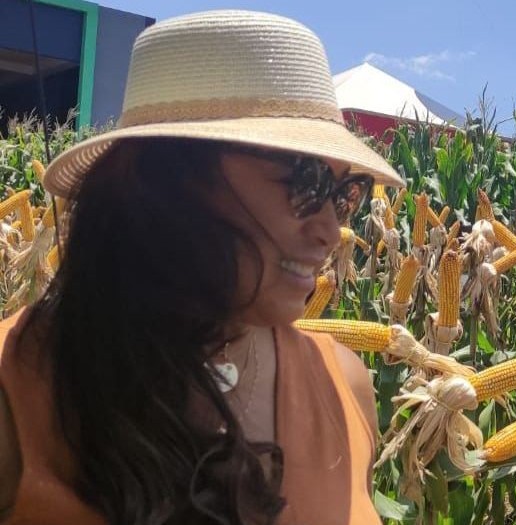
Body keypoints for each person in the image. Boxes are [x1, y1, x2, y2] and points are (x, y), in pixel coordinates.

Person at [0, 10, 402, 524]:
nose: (331, 230)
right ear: (165, 184)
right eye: (304, 182)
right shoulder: (20, 385)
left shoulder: (346, 385)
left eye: (346, 193)